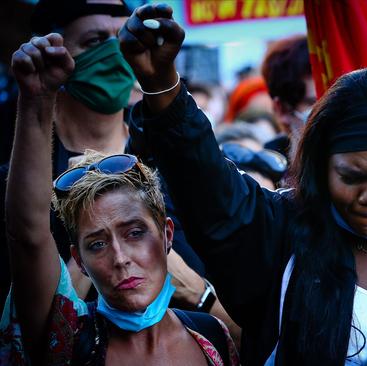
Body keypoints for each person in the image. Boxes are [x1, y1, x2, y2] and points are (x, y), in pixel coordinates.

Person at [119, 5, 367, 365]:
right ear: (320, 169)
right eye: (351, 177)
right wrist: (161, 84)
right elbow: (203, 178)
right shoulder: (280, 233)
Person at [0, 33, 238, 365]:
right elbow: (27, 234)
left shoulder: (214, 337)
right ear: (78, 261)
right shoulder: (70, 339)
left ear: (167, 235)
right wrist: (38, 100)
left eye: (135, 233)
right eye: (96, 244)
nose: (120, 257)